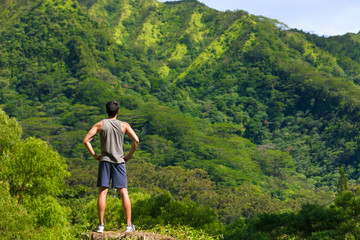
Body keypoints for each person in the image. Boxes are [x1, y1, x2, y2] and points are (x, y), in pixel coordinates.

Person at [83, 100, 139, 233]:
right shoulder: (124, 125)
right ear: (118, 112)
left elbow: (86, 141)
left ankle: (101, 225)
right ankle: (128, 225)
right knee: (123, 192)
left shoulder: (100, 124)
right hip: (119, 162)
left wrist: (95, 155)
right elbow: (136, 140)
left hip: (105, 161)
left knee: (103, 191)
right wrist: (128, 156)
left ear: (106, 111)